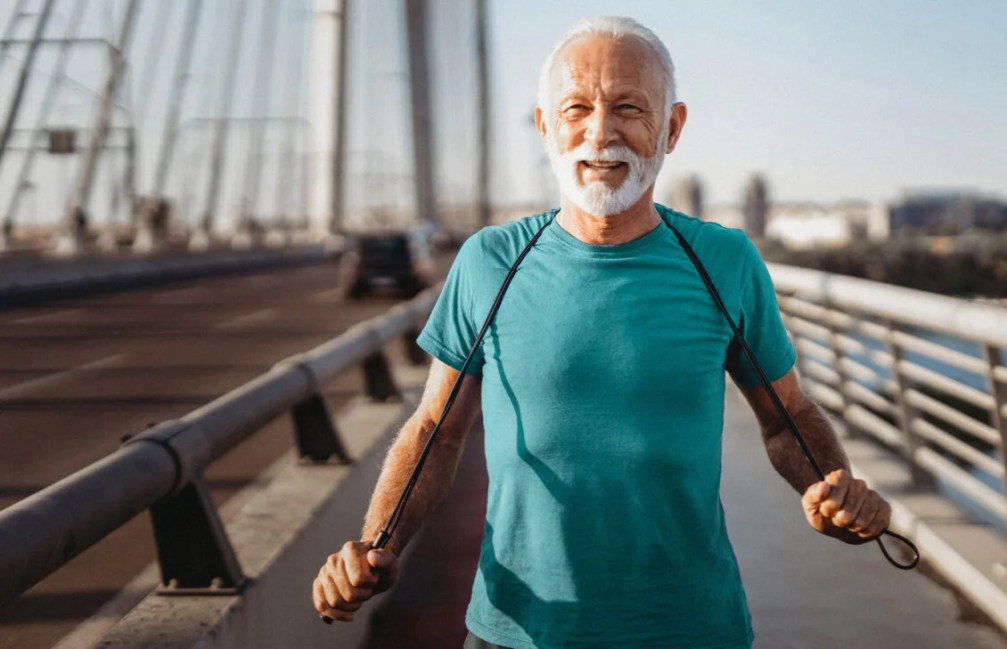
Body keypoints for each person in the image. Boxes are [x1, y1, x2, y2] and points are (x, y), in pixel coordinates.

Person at [313, 16, 892, 649]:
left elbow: (785, 419)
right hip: (517, 632)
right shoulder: (489, 261)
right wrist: (377, 544)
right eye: (576, 109)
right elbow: (435, 430)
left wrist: (832, 491)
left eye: (628, 108)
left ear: (671, 127)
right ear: (545, 127)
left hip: (690, 629)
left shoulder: (724, 261)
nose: (599, 133)